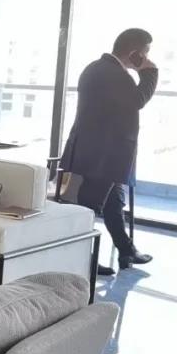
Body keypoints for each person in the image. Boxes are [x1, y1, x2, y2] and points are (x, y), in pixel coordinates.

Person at [61, 28, 157, 276]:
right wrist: (150, 73)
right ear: (134, 52)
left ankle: (126, 250)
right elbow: (137, 100)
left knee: (114, 204)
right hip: (103, 155)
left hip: (98, 152)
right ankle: (84, 260)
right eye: (145, 53)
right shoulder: (114, 74)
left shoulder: (96, 68)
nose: (146, 58)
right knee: (89, 208)